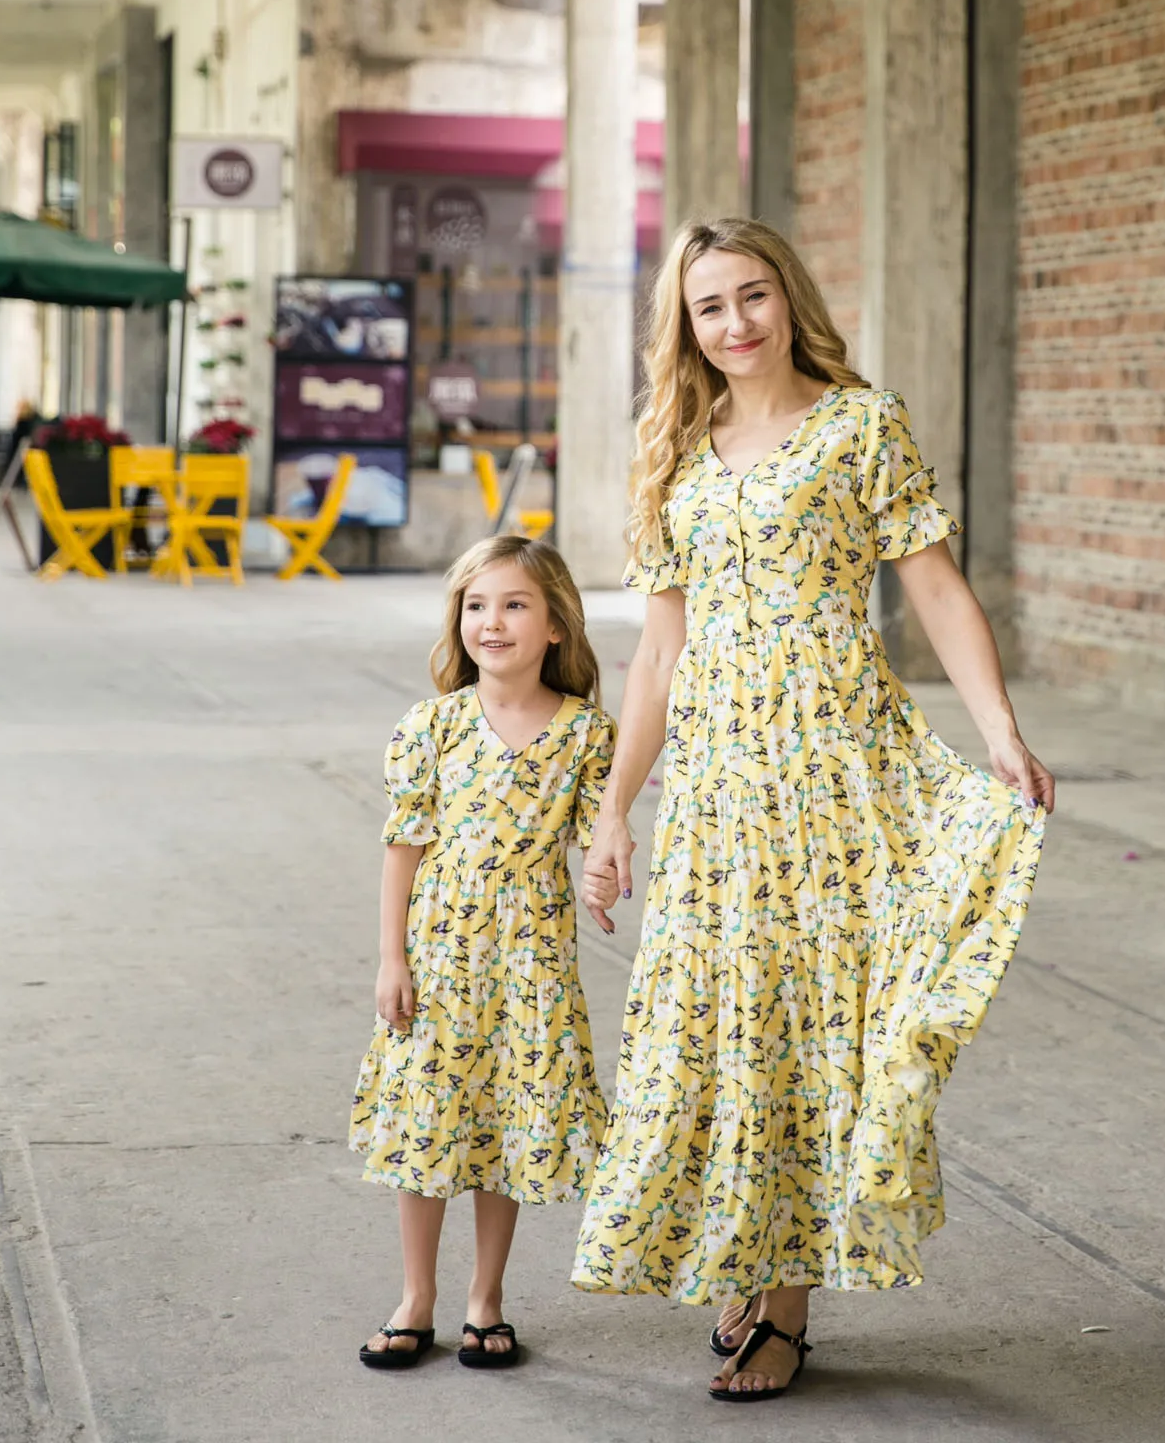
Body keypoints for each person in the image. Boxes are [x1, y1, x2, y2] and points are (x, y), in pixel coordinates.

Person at [572, 218, 1054, 1403]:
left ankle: (782, 1303)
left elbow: (933, 584)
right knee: (715, 1022)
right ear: (682, 329)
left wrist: (996, 728)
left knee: (798, 1023)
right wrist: (614, 809)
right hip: (720, 791)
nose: (734, 324)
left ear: (788, 298)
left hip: (836, 774)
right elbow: (656, 654)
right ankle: (746, 1246)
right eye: (708, 308)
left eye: (752, 296)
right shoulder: (674, 446)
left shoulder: (858, 424)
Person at [350, 535, 616, 1372]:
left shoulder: (586, 736)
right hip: (440, 955)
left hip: (532, 958)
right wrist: (391, 959)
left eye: (514, 605)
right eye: (475, 605)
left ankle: (485, 1299)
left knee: (506, 1123)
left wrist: (604, 880)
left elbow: (593, 841)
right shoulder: (429, 728)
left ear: (555, 629)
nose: (491, 622)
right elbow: (403, 847)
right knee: (428, 1124)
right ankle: (415, 1296)